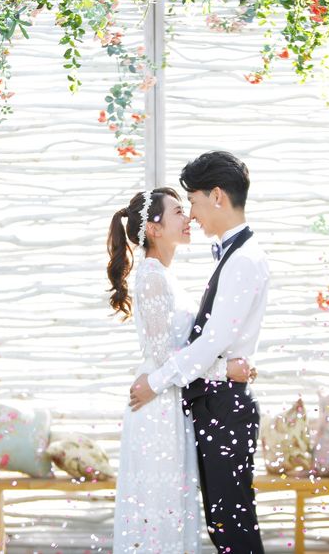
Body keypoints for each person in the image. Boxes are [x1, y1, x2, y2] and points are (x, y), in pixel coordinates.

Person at [129, 151, 269, 554]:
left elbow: (211, 341)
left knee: (232, 526)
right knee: (223, 523)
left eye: (192, 201)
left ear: (217, 196)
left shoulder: (243, 260)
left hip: (224, 407)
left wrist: (155, 382)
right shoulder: (234, 255)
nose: (192, 213)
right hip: (214, 402)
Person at [107, 187, 202, 553]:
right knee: (159, 502)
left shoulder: (163, 274)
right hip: (158, 401)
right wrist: (221, 366)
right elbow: (164, 355)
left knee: (170, 503)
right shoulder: (152, 276)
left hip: (167, 395)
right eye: (178, 212)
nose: (188, 217)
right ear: (154, 228)